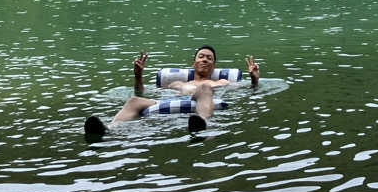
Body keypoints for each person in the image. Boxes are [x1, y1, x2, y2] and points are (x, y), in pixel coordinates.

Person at [84, 45, 260, 138]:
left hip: (203, 99)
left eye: (209, 58)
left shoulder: (220, 81)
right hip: (174, 99)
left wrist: (254, 79)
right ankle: (110, 129)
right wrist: (138, 76)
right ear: (194, 63)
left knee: (205, 87)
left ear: (214, 65)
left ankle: (204, 123)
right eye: (201, 56)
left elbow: (248, 90)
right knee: (133, 101)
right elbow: (144, 93)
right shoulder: (177, 83)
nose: (205, 60)